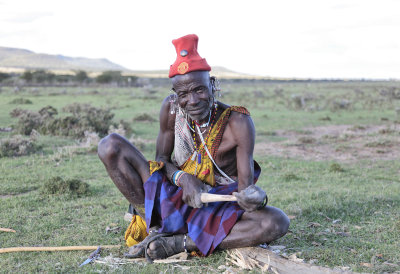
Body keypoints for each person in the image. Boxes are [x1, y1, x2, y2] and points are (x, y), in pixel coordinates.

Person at [98, 34, 289, 261]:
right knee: (110, 145)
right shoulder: (171, 109)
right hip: (176, 193)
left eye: (199, 90)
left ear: (213, 85)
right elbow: (161, 159)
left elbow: (245, 189)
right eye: (183, 94)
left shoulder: (238, 121)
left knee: (276, 221)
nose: (193, 100)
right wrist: (184, 179)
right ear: (175, 95)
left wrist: (254, 197)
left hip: (215, 204)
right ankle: (154, 227)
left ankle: (179, 243)